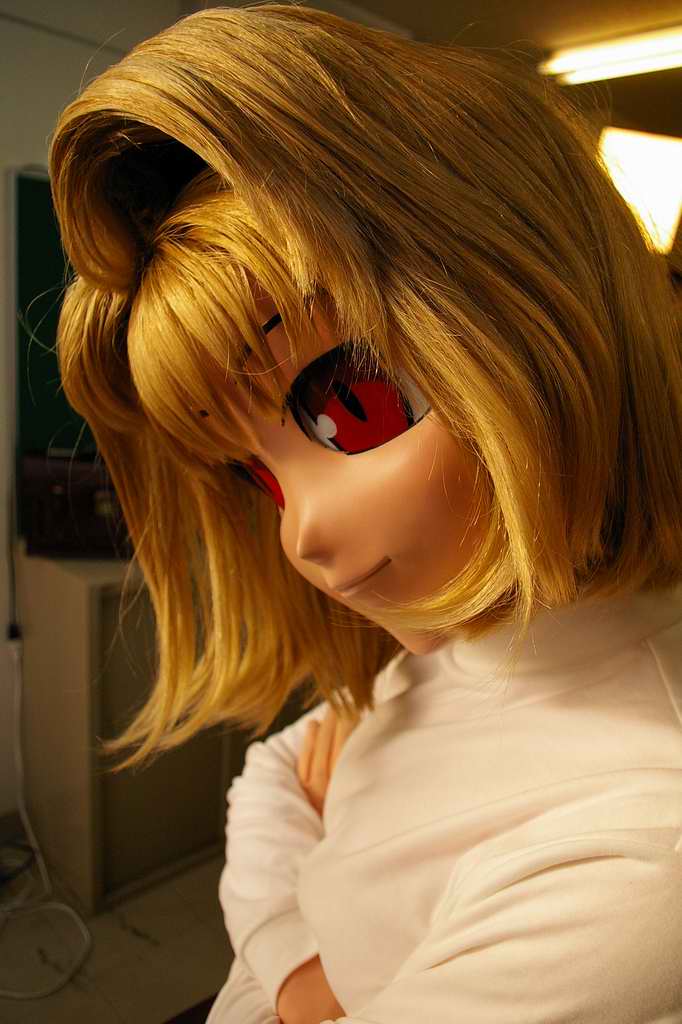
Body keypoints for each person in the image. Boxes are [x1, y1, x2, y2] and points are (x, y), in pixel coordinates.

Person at [47, 4, 682, 1022]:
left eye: (353, 405)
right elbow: (268, 776)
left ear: (550, 326)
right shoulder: (469, 643)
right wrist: (301, 971)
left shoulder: (639, 840)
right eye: (257, 478)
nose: (299, 533)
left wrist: (279, 968)